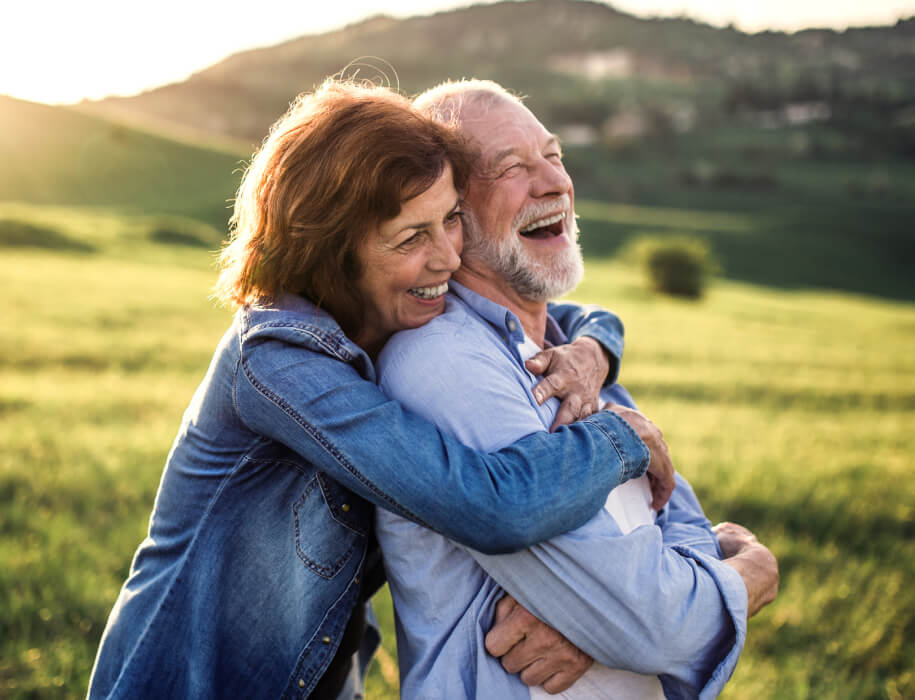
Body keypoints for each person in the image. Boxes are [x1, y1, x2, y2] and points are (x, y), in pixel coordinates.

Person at [86, 79, 673, 699]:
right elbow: (487, 505)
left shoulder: (388, 319)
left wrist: (591, 352)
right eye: (412, 238)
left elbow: (571, 317)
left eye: (450, 220)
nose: (448, 257)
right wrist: (620, 437)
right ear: (334, 254)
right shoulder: (278, 361)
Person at [375, 80, 779, 699]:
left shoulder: (572, 357)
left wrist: (597, 618)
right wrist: (751, 572)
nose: (554, 183)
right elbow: (656, 623)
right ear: (449, 216)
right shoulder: (443, 363)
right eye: (511, 167)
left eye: (554, 155)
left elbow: (677, 520)